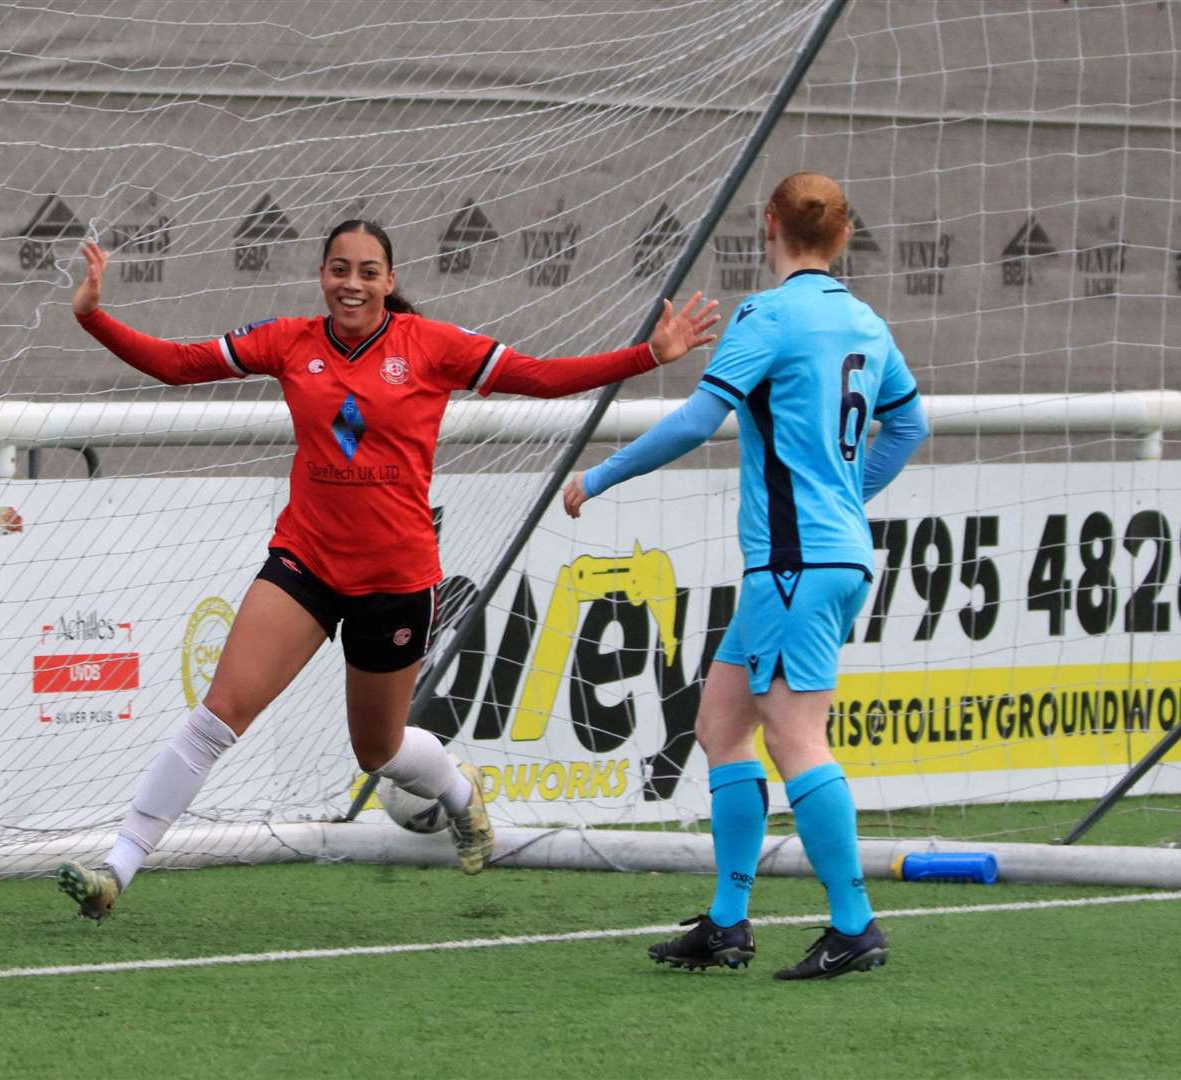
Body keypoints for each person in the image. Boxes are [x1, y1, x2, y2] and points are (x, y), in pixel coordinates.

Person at [56, 220, 721, 920]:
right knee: (219, 716)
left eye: (368, 271)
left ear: (390, 281)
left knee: (376, 750)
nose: (352, 283)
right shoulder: (290, 339)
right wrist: (94, 316)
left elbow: (541, 378)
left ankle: (460, 794)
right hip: (304, 565)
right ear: (322, 277)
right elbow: (177, 364)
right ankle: (117, 870)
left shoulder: (430, 347)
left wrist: (649, 355)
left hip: (396, 583)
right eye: (339, 268)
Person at [565, 172, 929, 980]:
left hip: (797, 565)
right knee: (723, 726)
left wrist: (599, 477)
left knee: (796, 736)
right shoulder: (864, 319)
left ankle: (854, 924)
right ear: (843, 234)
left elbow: (700, 419)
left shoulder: (768, 315)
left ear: (769, 224)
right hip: (819, 557)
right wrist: (845, 494)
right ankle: (728, 921)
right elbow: (909, 422)